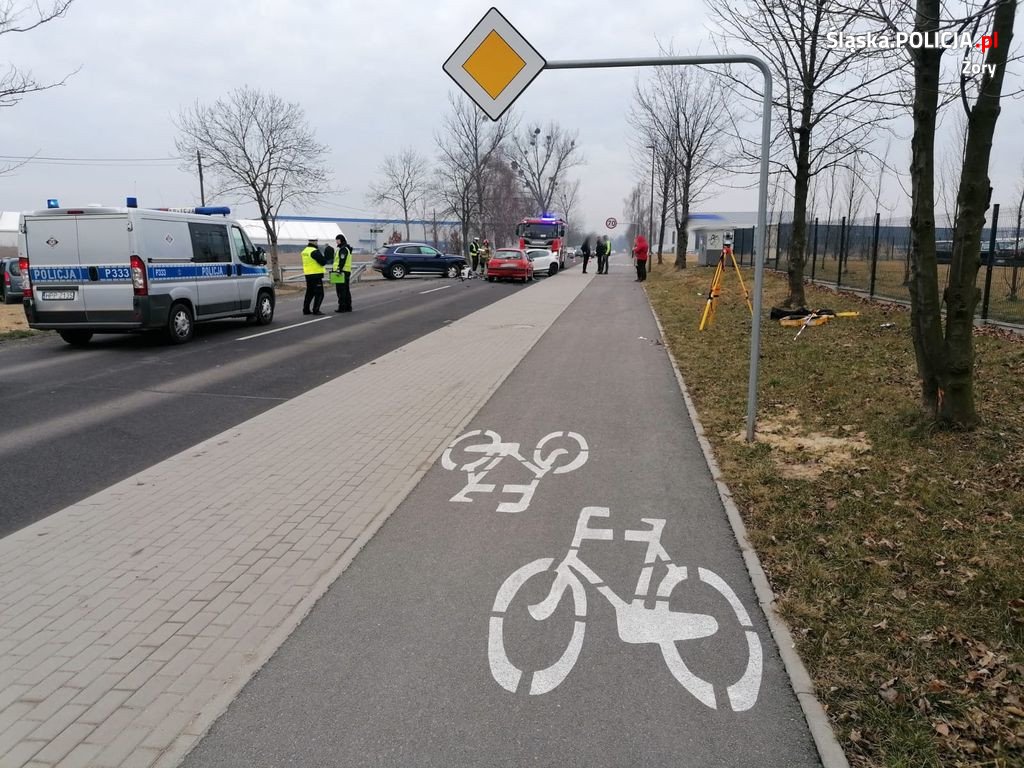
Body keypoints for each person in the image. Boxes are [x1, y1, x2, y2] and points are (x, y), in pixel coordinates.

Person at [301, 237, 329, 314]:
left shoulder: (305, 251)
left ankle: (306, 309)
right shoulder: (314, 251)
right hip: (316, 275)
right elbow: (323, 262)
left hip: (308, 274)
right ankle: (316, 310)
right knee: (320, 293)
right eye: (316, 241)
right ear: (314, 242)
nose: (317, 243)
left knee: (309, 292)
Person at [330, 233, 353, 313]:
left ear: (341, 240)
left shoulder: (343, 249)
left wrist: (339, 270)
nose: (336, 241)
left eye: (337, 240)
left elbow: (342, 260)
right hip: (345, 271)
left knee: (340, 290)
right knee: (346, 290)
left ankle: (342, 307)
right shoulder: (346, 248)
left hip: (341, 272)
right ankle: (348, 306)